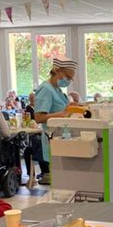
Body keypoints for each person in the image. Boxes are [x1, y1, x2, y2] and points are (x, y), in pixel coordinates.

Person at [34, 57, 76, 185]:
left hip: (62, 136)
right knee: (60, 182)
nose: (69, 81)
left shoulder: (57, 90)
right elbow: (39, 117)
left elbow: (62, 109)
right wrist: (62, 114)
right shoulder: (46, 90)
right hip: (53, 137)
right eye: (68, 77)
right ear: (57, 71)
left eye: (71, 79)